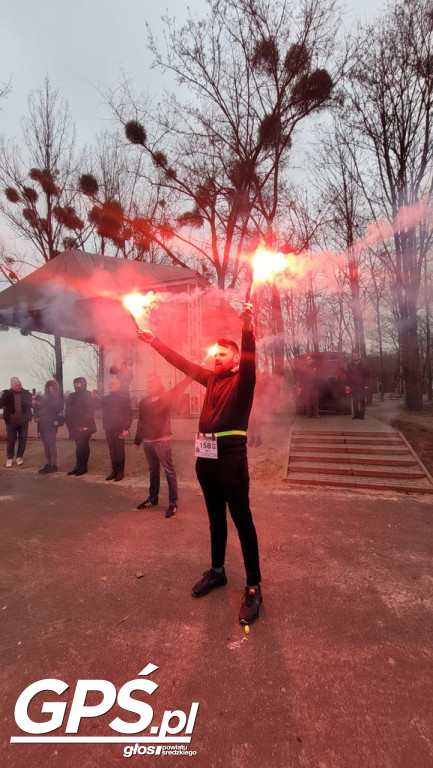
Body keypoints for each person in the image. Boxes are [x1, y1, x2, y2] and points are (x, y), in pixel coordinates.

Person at [137, 303, 262, 625]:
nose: (216, 357)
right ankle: (217, 571)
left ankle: (253, 587)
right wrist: (155, 341)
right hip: (205, 459)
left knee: (242, 522)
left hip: (232, 458)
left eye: (224, 354)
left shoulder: (243, 381)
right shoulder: (211, 380)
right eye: (215, 354)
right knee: (216, 521)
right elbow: (183, 363)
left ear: (235, 358)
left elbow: (250, 359)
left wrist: (247, 330)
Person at [134, 374, 190, 519]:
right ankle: (153, 499)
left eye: (152, 381)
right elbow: (141, 421)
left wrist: (191, 375)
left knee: (169, 471)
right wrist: (137, 440)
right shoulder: (144, 401)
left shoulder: (166, 396)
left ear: (159, 383)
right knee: (153, 471)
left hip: (162, 440)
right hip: (147, 441)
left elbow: (179, 388)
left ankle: (173, 503)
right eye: (148, 381)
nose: (149, 384)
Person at [64, 377, 97, 476]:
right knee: (78, 446)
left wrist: (85, 425)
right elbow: (68, 410)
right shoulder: (72, 396)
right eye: (75, 383)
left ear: (83, 384)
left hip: (85, 425)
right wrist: (68, 423)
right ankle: (78, 465)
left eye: (78, 383)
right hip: (74, 425)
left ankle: (84, 466)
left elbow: (90, 411)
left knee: (84, 445)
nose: (76, 385)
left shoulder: (88, 395)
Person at [101, 379, 133, 482]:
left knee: (119, 451)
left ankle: (120, 472)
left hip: (119, 429)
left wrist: (126, 428)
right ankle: (114, 471)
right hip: (108, 428)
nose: (110, 385)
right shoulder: (106, 399)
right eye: (110, 383)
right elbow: (96, 405)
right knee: (112, 451)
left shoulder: (124, 398)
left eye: (113, 384)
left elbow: (128, 414)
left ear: (118, 385)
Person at [0, 377, 33, 467]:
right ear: (12, 386)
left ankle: (19, 457)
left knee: (23, 439)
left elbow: (31, 404)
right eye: (17, 385)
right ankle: (9, 458)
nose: (19, 387)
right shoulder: (6, 394)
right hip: (11, 422)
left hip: (23, 422)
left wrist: (34, 402)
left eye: (20, 385)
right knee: (11, 440)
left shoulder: (26, 393)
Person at [33, 380, 64, 474]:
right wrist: (36, 414)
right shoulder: (44, 399)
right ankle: (48, 463)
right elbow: (38, 410)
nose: (51, 389)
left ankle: (53, 465)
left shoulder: (58, 399)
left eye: (52, 387)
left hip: (51, 425)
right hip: (42, 424)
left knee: (51, 445)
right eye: (49, 387)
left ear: (56, 388)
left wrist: (39, 399)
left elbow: (54, 408)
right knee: (45, 446)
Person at [346, 352, 370, 420]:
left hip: (362, 385)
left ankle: (362, 415)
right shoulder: (350, 365)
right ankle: (356, 415)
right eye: (353, 356)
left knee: (362, 400)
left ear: (359, 356)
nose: (355, 357)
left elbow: (367, 375)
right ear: (352, 357)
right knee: (354, 401)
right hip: (353, 385)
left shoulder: (364, 365)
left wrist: (366, 384)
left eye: (356, 356)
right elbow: (348, 375)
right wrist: (347, 385)